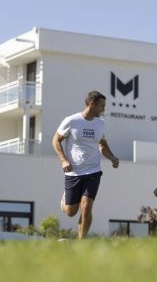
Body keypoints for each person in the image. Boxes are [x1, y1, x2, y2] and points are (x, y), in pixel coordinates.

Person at [52, 90, 119, 239]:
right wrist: (63, 160)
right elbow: (55, 140)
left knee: (86, 206)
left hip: (93, 171)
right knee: (70, 212)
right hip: (73, 172)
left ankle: (81, 242)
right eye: (102, 106)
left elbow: (102, 145)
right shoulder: (71, 121)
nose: (104, 109)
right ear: (92, 104)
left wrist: (112, 157)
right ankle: (66, 200)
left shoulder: (101, 124)